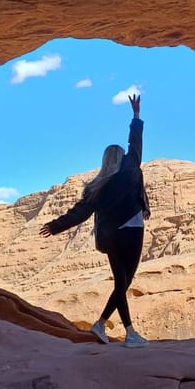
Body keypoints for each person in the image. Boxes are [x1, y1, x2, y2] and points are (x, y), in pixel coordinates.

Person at [39, 94, 150, 348]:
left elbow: (79, 213)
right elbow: (136, 143)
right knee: (125, 282)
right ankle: (129, 333)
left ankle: (101, 324)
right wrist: (135, 115)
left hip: (110, 237)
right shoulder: (131, 167)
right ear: (121, 157)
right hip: (132, 231)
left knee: (120, 282)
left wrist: (55, 226)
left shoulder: (96, 186)